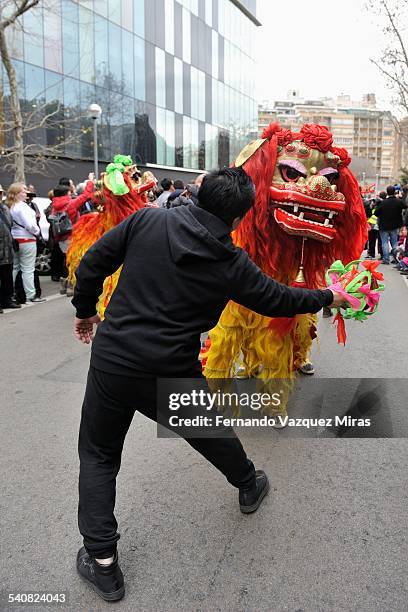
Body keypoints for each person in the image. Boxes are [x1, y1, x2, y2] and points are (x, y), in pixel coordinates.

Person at [72, 168, 347, 602]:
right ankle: (248, 483)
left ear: (198, 191)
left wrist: (85, 310)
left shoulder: (149, 220)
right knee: (209, 431)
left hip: (114, 359)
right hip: (170, 366)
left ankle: (102, 561)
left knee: (99, 455)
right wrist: (330, 297)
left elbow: (92, 263)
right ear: (240, 219)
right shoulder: (231, 262)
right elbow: (279, 298)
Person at [7, 183, 45, 304]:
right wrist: (37, 231)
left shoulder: (11, 206)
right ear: (17, 193)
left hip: (16, 239)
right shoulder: (22, 207)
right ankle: (31, 294)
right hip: (27, 239)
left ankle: (10, 292)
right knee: (28, 268)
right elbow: (30, 225)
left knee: (15, 267)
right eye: (23, 191)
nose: (26, 192)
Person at [0, 185, 21, 311]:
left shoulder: (4, 209)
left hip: (7, 248)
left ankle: (7, 300)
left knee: (7, 277)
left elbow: (10, 225)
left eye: (1, 193)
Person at [375, 186, 407, 264]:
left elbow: (376, 213)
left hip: (384, 225)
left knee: (385, 243)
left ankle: (386, 259)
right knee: (394, 242)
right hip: (395, 226)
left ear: (387, 192)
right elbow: (405, 205)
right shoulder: (398, 202)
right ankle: (395, 258)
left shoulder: (383, 202)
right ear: (394, 192)